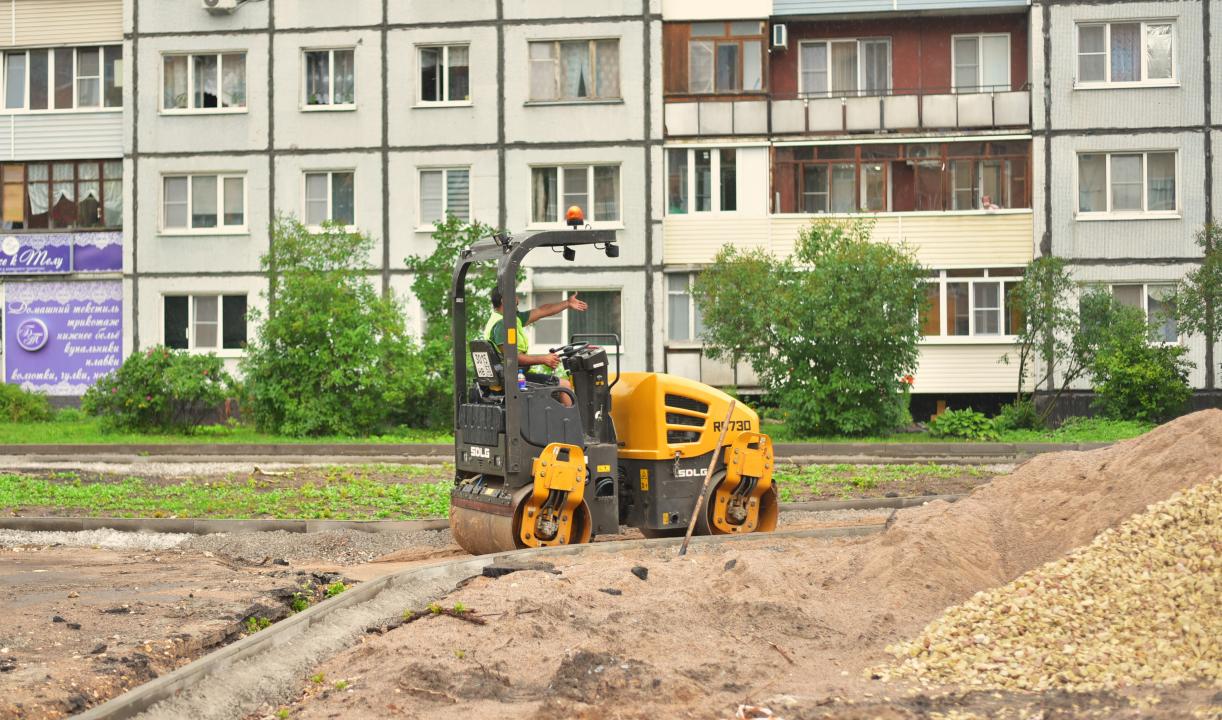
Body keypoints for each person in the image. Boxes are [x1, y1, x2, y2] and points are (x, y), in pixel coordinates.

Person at [485, 288, 588, 403]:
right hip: (513, 379)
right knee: (564, 386)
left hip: (512, 376)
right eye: (515, 297)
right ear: (504, 300)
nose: (518, 301)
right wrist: (543, 359)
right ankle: (572, 421)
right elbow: (512, 358)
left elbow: (541, 311)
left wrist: (568, 303)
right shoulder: (502, 324)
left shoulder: (508, 319)